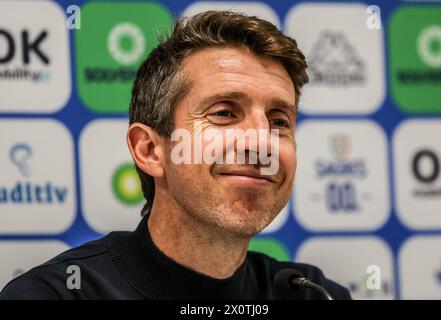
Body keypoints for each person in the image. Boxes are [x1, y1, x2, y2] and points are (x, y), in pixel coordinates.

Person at [0, 11, 351, 300]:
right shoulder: (56, 295)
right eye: (224, 113)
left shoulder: (312, 294)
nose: (263, 142)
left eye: (279, 121)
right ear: (150, 150)